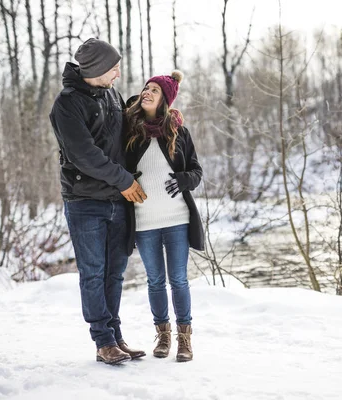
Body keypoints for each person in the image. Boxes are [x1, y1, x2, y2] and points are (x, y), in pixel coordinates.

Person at [49, 38, 148, 365]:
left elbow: (122, 136)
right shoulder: (67, 104)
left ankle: (115, 335)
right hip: (85, 200)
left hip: (119, 200)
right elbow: (84, 155)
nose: (118, 73)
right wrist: (124, 181)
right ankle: (103, 341)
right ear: (96, 69)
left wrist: (155, 113)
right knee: (93, 272)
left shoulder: (111, 94)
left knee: (115, 273)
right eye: (113, 67)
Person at [124, 70, 204, 362]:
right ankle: (163, 335)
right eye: (146, 88)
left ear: (165, 99)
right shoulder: (131, 131)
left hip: (176, 219)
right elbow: (120, 169)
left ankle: (185, 340)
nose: (147, 92)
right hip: (144, 221)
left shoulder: (179, 132)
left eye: (154, 90)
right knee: (155, 281)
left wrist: (184, 180)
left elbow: (196, 172)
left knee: (179, 280)